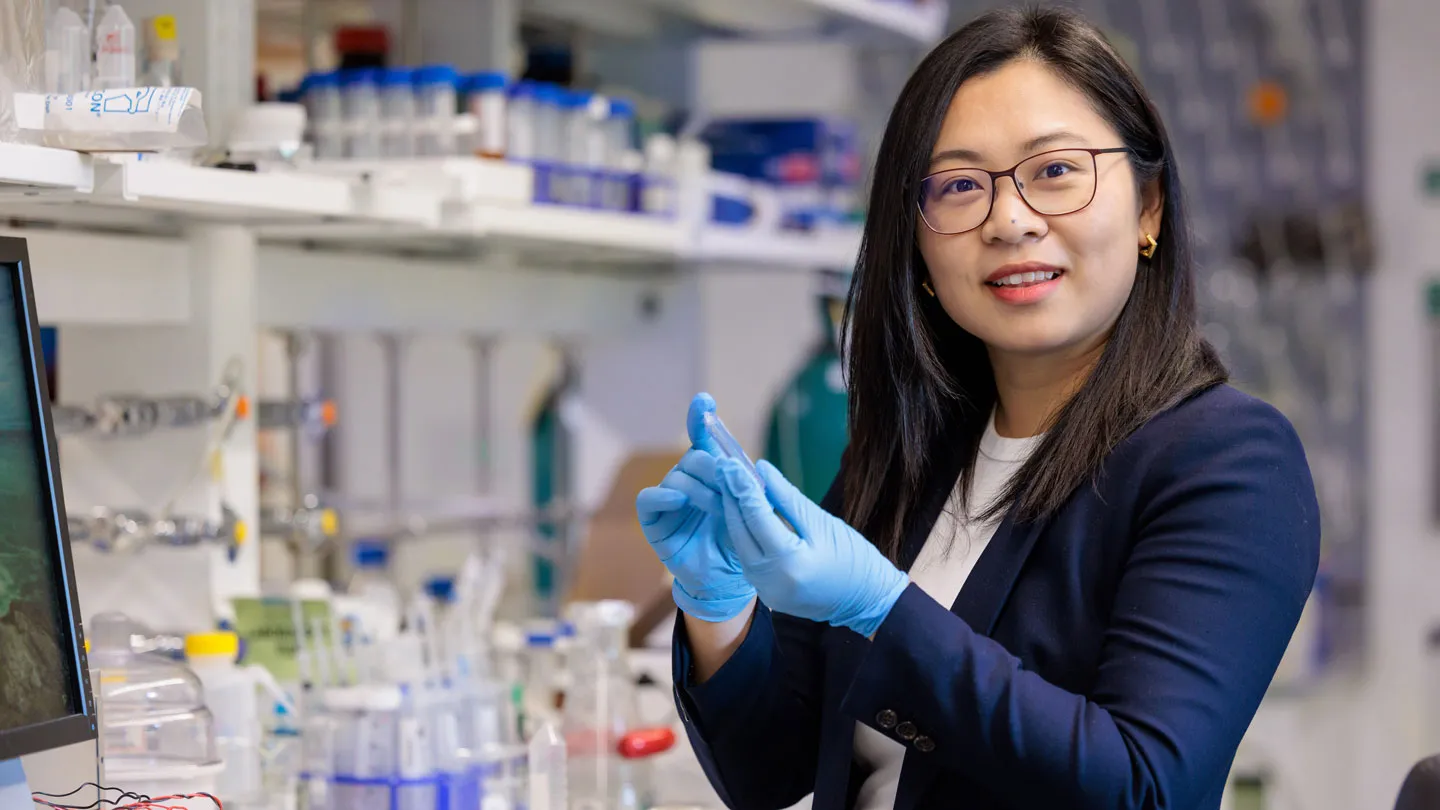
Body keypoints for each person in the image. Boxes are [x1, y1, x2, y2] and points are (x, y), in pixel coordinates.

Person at [635, 7, 1320, 810]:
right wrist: (718, 609)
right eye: (960, 185)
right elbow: (771, 771)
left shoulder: (1228, 462)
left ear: (1149, 207)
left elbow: (1142, 787)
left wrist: (884, 608)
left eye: (1055, 170)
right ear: (919, 246)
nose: (1010, 221)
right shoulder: (911, 454)